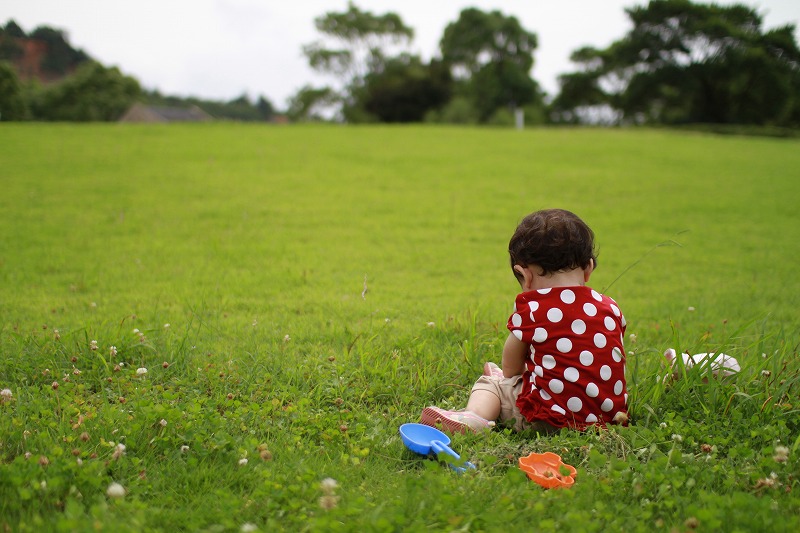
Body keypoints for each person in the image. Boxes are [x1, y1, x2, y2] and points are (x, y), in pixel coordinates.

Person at [421, 209, 629, 434]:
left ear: (525, 275)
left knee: (495, 385)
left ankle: (474, 418)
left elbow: (511, 368)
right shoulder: (610, 307)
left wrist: (507, 380)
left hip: (549, 419)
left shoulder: (533, 307)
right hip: (608, 420)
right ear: (588, 268)